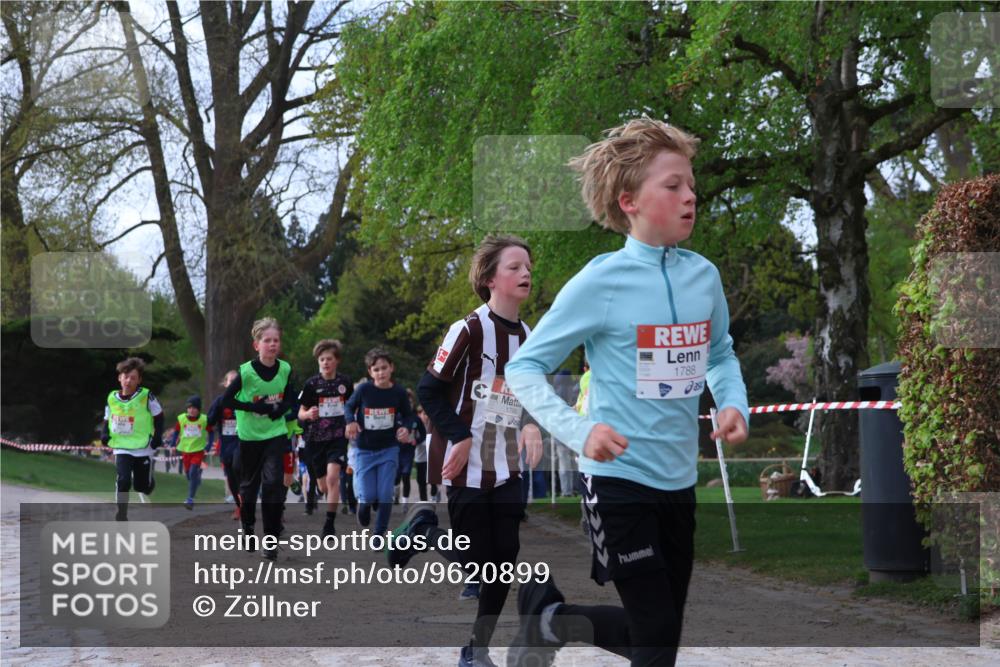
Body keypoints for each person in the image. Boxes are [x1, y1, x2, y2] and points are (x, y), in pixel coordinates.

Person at [504, 118, 750, 667]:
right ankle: (552, 621)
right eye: (673, 186)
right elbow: (525, 368)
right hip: (618, 480)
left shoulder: (703, 277)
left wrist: (732, 402)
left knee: (656, 634)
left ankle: (552, 621)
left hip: (678, 480)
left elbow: (719, 354)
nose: (691, 196)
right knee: (657, 637)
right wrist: (579, 430)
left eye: (691, 185)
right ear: (629, 201)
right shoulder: (601, 282)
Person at [387, 234, 544, 667]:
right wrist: (460, 434)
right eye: (514, 267)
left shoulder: (529, 335)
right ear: (491, 279)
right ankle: (424, 532)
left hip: (506, 463)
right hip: (464, 462)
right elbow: (428, 390)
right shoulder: (468, 329)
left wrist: (531, 425)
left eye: (528, 266)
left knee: (504, 559)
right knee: (477, 560)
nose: (526, 273)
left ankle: (476, 650)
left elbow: (529, 393)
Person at [223, 317, 296, 561]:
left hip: (275, 434)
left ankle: (272, 540)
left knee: (274, 485)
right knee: (249, 490)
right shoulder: (246, 372)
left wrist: (279, 409)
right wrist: (254, 407)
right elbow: (226, 401)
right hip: (250, 438)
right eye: (267, 340)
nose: (272, 344)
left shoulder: (285, 369)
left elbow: (291, 399)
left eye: (276, 340)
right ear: (257, 345)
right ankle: (248, 528)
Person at [344, 347, 413, 537]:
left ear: (392, 368)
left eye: (384, 368)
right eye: (376, 369)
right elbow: (349, 406)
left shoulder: (398, 392)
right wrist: (350, 421)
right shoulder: (364, 389)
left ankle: (379, 533)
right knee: (367, 497)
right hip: (365, 450)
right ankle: (363, 508)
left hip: (388, 449)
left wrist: (405, 428)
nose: (380, 372)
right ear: (370, 372)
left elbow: (408, 415)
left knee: (384, 495)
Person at [298, 339, 353, 535]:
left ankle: (329, 524)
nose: (325, 363)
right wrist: (307, 415)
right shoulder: (311, 384)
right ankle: (327, 497)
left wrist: (352, 423)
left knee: (333, 478)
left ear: (336, 360)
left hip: (337, 438)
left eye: (329, 359)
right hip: (315, 439)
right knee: (322, 485)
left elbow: (353, 407)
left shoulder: (345, 383)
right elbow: (300, 412)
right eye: (322, 359)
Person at [100, 357, 164, 521]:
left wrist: (157, 436)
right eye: (125, 376)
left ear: (139, 380)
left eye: (133, 378)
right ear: (119, 377)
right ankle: (121, 514)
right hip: (122, 446)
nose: (128, 381)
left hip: (143, 447)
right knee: (123, 480)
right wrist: (104, 433)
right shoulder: (112, 397)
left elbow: (159, 416)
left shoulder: (146, 396)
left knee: (142, 487)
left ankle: (148, 484)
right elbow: (107, 417)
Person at [207, 370, 241, 519]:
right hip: (226, 444)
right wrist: (217, 410)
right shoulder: (220, 401)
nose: (233, 383)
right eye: (230, 380)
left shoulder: (245, 399)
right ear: (225, 383)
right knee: (231, 477)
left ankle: (244, 503)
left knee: (239, 467)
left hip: (242, 443)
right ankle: (239, 505)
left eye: (236, 380)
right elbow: (210, 421)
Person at [170, 395, 212, 510]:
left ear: (199, 409)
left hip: (198, 450)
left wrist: (208, 445)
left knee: (193, 472)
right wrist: (173, 444)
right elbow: (176, 432)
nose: (191, 410)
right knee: (189, 474)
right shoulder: (182, 418)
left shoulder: (204, 419)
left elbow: (211, 433)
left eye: (194, 408)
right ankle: (196, 479)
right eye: (189, 408)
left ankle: (190, 499)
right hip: (185, 450)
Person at [394, 389, 420, 504]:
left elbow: (423, 434)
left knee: (406, 474)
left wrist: (416, 440)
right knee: (396, 477)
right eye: (406, 402)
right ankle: (395, 496)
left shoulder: (415, 418)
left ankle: (405, 501)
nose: (408, 404)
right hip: (396, 452)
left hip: (409, 452)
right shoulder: (395, 417)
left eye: (410, 402)